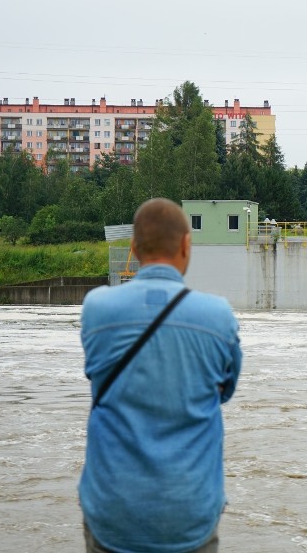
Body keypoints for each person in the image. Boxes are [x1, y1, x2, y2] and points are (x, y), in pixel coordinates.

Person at [79, 198, 243, 553]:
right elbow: (224, 391)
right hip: (188, 514)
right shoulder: (218, 315)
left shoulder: (97, 308)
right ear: (186, 244)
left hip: (112, 512)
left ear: (134, 248)